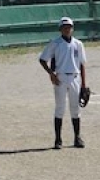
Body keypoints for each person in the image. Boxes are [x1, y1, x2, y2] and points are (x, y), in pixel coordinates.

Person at [38, 16, 88, 149]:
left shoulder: (78, 44)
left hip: (75, 77)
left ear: (73, 28)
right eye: (64, 27)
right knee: (60, 108)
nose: (67, 29)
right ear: (60, 29)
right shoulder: (55, 43)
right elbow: (43, 59)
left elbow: (82, 64)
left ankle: (77, 137)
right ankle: (58, 139)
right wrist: (51, 73)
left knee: (75, 109)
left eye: (69, 27)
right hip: (60, 78)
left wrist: (83, 84)